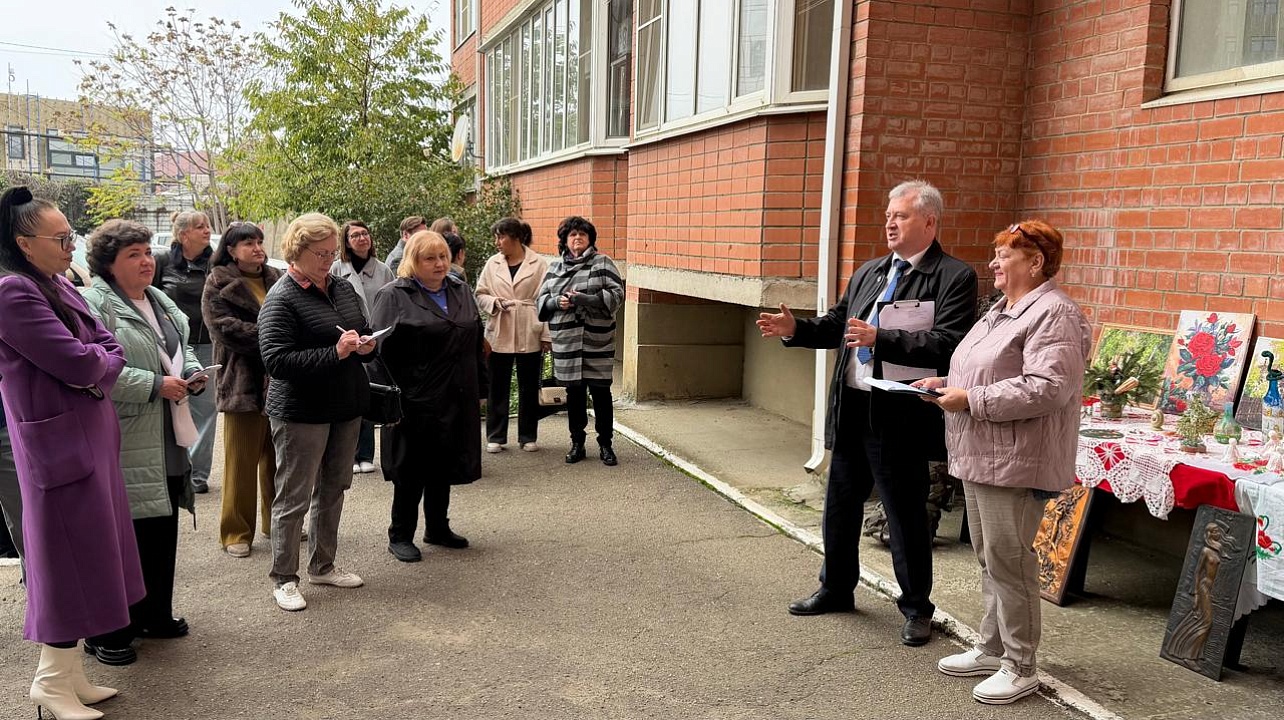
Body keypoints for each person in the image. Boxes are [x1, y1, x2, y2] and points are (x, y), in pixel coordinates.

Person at [756, 180, 977, 647]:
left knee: (904, 514)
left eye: (901, 216)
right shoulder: (870, 272)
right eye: (888, 216)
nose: (890, 224)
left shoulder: (953, 276)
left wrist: (883, 339)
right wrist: (796, 329)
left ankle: (916, 608)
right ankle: (836, 588)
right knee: (839, 505)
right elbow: (839, 325)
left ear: (929, 222)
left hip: (899, 415)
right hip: (853, 406)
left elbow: (950, 343)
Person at [915, 220, 1090, 704]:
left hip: (1016, 458)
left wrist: (970, 399)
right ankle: (992, 649)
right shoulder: (1000, 310)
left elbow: (1049, 387)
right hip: (982, 453)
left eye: (1004, 254)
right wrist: (944, 385)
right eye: (995, 253)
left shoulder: (1054, 312)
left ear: (1036, 262)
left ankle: (1020, 665)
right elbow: (981, 369)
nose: (993, 263)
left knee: (1010, 562)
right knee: (990, 557)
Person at [0, 186, 143, 719]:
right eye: (61, 239)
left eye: (71, 236)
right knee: (66, 562)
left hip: (86, 438)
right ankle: (49, 681)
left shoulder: (57, 282)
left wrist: (97, 362)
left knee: (93, 555)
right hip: (59, 448)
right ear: (24, 243)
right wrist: (98, 364)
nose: (71, 246)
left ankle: (69, 672)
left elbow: (108, 346)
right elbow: (81, 363)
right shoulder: (12, 292)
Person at [81, 220, 205, 666]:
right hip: (127, 436)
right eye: (133, 254)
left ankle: (154, 614)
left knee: (161, 526)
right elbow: (95, 369)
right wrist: (154, 385)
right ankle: (111, 632)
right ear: (108, 264)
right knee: (121, 538)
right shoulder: (94, 304)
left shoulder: (158, 299)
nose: (146, 261)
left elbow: (180, 347)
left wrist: (191, 372)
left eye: (147, 252)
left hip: (168, 431)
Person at [258, 212, 375, 612]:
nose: (329, 259)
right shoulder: (281, 297)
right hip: (300, 412)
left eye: (332, 252)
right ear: (297, 251)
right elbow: (276, 361)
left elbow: (361, 326)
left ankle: (323, 565)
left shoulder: (341, 287)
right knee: (293, 497)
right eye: (320, 253)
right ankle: (284, 578)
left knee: (334, 488)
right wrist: (334, 353)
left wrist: (367, 345)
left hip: (345, 405)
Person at [371, 230, 486, 562]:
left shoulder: (460, 290)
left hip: (457, 394)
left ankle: (437, 527)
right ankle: (400, 535)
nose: (439, 264)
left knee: (444, 462)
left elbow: (475, 340)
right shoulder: (394, 295)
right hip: (414, 399)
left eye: (443, 257)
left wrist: (481, 388)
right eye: (430, 258)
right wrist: (388, 401)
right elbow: (378, 352)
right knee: (411, 468)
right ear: (413, 261)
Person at [203, 222, 283, 558]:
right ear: (231, 250)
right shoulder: (218, 282)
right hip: (241, 382)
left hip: (279, 381)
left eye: (259, 241)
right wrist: (275, 337)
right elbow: (224, 329)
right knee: (240, 462)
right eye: (248, 242)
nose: (257, 248)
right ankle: (236, 531)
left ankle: (277, 524)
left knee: (278, 461)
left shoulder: (278, 278)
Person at [537, 216, 625, 467]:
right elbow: (540, 302)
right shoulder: (554, 267)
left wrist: (586, 299)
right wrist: (557, 302)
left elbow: (618, 294)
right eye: (572, 234)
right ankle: (577, 443)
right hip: (567, 343)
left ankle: (606, 444)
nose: (577, 238)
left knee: (601, 393)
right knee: (574, 395)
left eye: (582, 234)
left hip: (597, 342)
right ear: (565, 240)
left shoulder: (603, 263)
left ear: (590, 239)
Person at [153, 210, 217, 494]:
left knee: (205, 410)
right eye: (200, 226)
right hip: (170, 346)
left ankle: (197, 476)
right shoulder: (162, 262)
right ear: (183, 235)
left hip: (208, 345)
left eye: (207, 225)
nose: (207, 230)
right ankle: (171, 470)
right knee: (171, 407)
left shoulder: (215, 264)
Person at [475, 218, 551, 454]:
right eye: (496, 237)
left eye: (501, 236)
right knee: (497, 385)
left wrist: (547, 335)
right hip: (500, 329)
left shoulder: (539, 263)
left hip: (530, 327)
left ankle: (528, 435)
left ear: (516, 237)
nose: (497, 242)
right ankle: (496, 436)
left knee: (529, 386)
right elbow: (480, 293)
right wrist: (494, 302)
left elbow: (546, 300)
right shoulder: (492, 263)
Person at [330, 220, 395, 475]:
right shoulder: (337, 268)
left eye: (365, 233)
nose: (361, 238)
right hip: (346, 339)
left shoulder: (383, 269)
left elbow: (392, 303)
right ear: (346, 242)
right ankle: (351, 454)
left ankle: (366, 453)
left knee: (372, 394)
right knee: (352, 395)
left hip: (375, 340)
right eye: (355, 235)